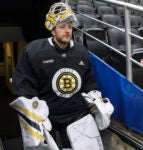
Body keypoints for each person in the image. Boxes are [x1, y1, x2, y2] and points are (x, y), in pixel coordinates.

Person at [11, 2, 113, 149]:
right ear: (52, 30)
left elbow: (89, 82)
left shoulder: (82, 52)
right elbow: (24, 87)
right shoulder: (34, 51)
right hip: (46, 116)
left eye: (70, 27)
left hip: (76, 114)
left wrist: (96, 102)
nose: (67, 31)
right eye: (62, 27)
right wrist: (32, 114)